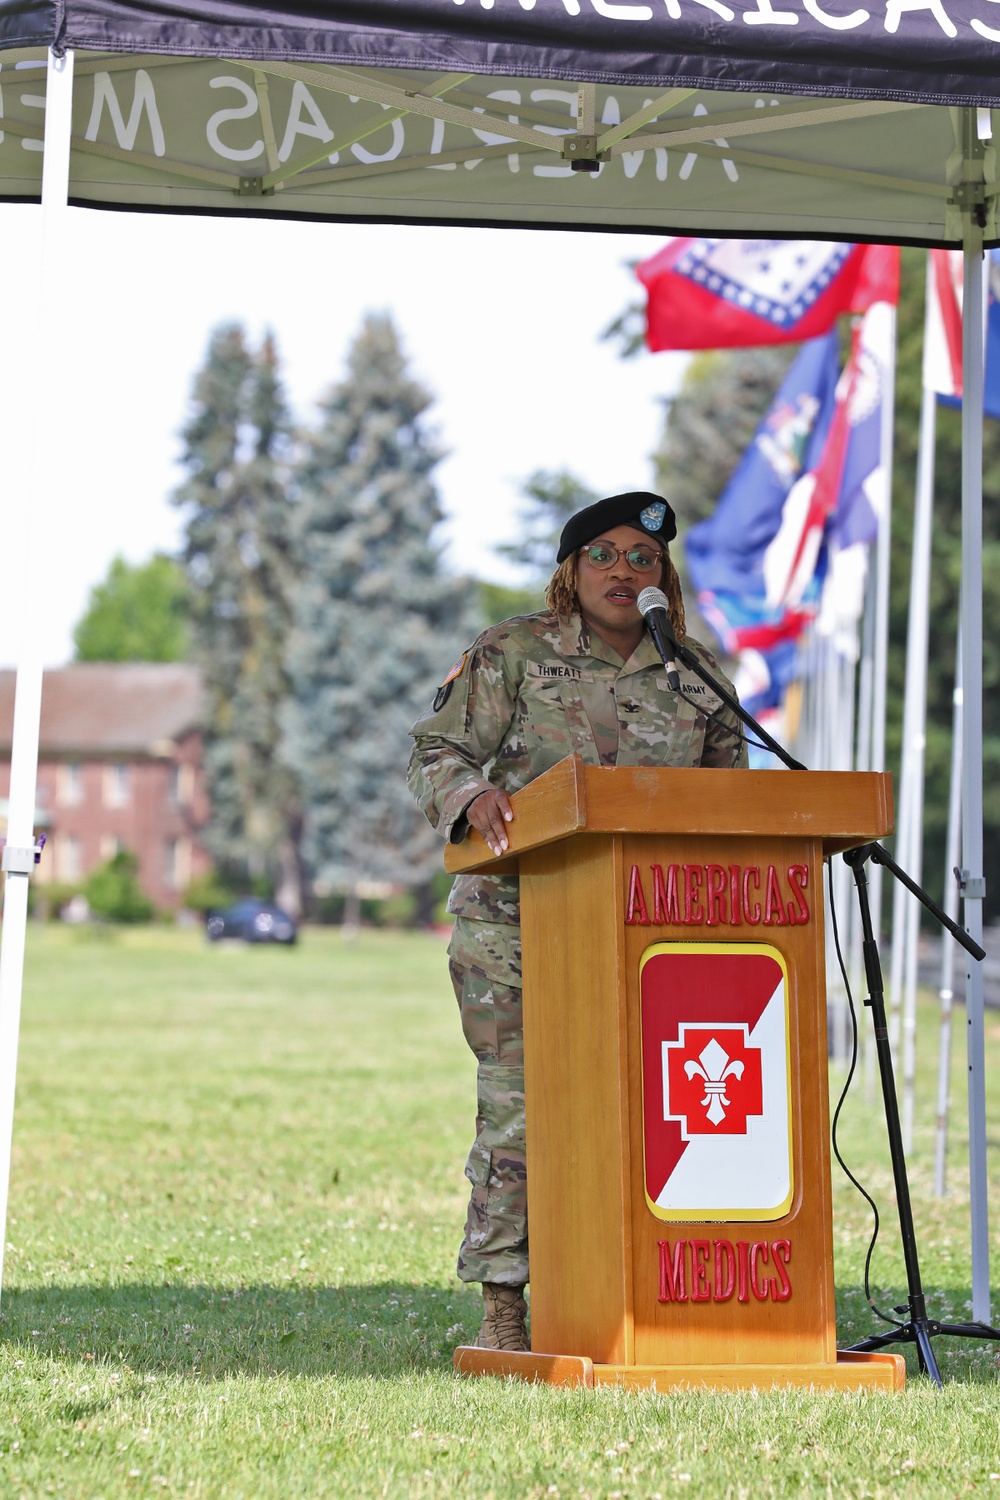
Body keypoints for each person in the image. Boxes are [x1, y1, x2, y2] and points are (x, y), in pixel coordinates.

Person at [406, 491, 748, 1353]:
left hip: (652, 934)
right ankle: (505, 1307)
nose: (625, 571)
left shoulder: (698, 674)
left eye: (643, 558)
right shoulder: (515, 652)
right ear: (570, 571)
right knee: (521, 1105)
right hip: (517, 921)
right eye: (604, 555)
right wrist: (473, 795)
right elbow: (434, 749)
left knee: (652, 1106)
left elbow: (734, 806)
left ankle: (642, 1288)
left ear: (663, 577)